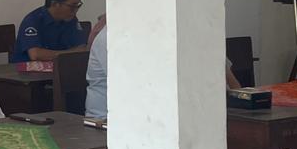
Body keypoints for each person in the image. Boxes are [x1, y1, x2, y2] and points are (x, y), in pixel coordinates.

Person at [84, 22, 240, 120]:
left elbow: (229, 79)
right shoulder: (112, 37)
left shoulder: (181, 29)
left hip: (162, 114)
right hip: (108, 121)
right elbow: (136, 92)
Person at [10, 0, 88, 63]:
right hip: (27, 70)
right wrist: (71, 53)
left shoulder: (71, 19)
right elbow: (36, 55)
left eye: (78, 5)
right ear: (55, 4)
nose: (76, 10)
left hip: (58, 67)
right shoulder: (33, 20)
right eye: (72, 6)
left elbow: (82, 48)